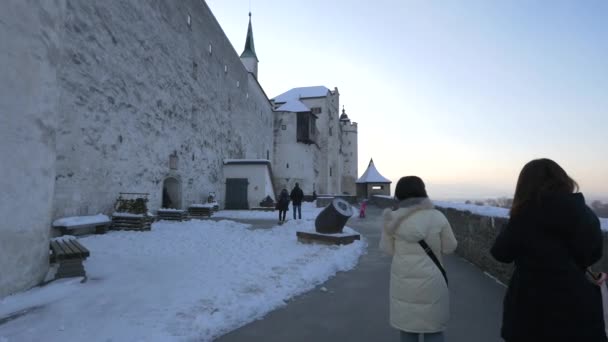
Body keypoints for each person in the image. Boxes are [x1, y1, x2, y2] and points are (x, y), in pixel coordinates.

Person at [490, 158, 605, 342]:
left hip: (531, 309)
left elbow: (500, 253)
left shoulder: (525, 215)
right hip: (577, 305)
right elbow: (592, 254)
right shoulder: (583, 212)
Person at [380, 176, 457, 342]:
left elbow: (387, 250)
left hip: (403, 282)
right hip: (433, 282)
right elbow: (450, 248)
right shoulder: (437, 217)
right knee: (434, 329)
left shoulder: (391, 219)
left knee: (408, 330)